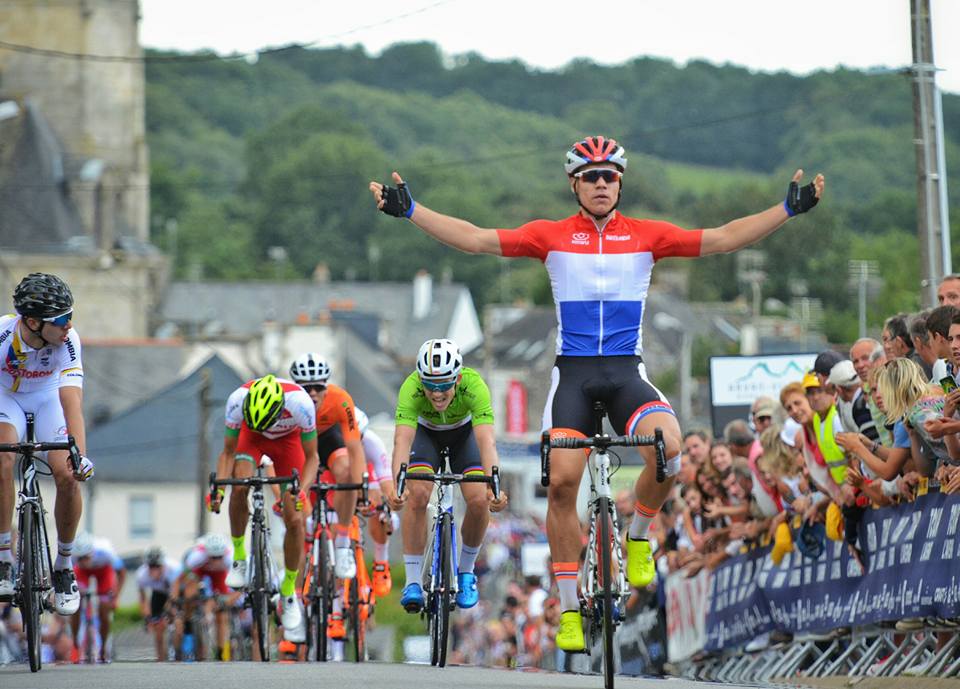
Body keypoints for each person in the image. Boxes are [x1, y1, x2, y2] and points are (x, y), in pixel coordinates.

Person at [370, 135, 823, 652]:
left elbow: (722, 237)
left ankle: (636, 539)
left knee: (669, 447)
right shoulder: (551, 236)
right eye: (591, 176)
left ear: (621, 181)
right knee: (562, 486)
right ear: (574, 184)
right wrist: (412, 212)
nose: (602, 184)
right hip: (574, 378)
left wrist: (787, 208)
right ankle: (568, 608)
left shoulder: (648, 235)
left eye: (610, 175)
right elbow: (474, 238)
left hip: (627, 372)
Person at [388, 338, 508, 614]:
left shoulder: (474, 386)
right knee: (417, 495)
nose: (437, 393)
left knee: (479, 500)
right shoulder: (411, 388)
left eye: (444, 385)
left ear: (458, 378)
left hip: (464, 436)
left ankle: (466, 572)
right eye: (430, 385)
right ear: (420, 380)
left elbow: (486, 441)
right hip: (425, 435)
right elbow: (402, 442)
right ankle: (414, 580)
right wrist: (398, 485)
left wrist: (495, 486)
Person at [0, 273, 95, 612]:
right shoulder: (2, 336)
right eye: (62, 320)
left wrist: (78, 455)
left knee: (68, 475)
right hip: (5, 397)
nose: (69, 325)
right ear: (33, 322)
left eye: (71, 316)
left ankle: (64, 566)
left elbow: (71, 403)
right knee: (3, 461)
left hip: (47, 398)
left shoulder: (69, 342)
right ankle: (4, 558)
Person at [209, 374, 319, 643]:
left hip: (288, 442)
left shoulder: (301, 404)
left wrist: (300, 491)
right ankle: (239, 556)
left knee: (294, 519)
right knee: (239, 486)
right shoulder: (237, 401)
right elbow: (227, 453)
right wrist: (219, 490)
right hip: (251, 439)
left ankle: (289, 591)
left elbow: (313, 458)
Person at [288, 353, 366, 579]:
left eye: (318, 387)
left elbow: (354, 448)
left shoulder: (340, 399)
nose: (312, 393)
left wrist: (359, 485)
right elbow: (277, 457)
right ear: (296, 387)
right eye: (306, 387)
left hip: (329, 440)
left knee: (347, 472)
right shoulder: (287, 402)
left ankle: (342, 543)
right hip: (299, 444)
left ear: (327, 386)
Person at [70, 532, 126, 663]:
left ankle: (103, 647)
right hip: (81, 573)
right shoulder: (73, 557)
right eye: (80, 559)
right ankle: (75, 642)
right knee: (74, 604)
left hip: (104, 572)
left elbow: (122, 574)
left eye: (86, 558)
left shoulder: (106, 553)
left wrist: (116, 596)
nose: (84, 561)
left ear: (92, 553)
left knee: (104, 611)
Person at [136, 546, 181, 662]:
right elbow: (143, 599)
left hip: (176, 591)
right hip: (158, 593)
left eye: (157, 566)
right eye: (151, 566)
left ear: (163, 565)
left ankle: (179, 652)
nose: (154, 569)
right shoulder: (141, 575)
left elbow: (174, 593)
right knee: (158, 627)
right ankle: (160, 660)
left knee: (177, 619)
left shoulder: (172, 568)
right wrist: (147, 617)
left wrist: (169, 609)